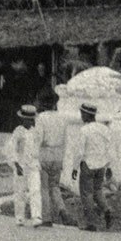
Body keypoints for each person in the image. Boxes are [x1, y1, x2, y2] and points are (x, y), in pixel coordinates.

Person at [73, 102, 113, 231]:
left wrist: (74, 168)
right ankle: (107, 210)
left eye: (82, 114)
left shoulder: (84, 130)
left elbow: (80, 151)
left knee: (87, 194)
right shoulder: (104, 129)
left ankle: (91, 223)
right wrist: (109, 166)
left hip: (88, 165)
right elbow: (109, 149)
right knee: (98, 191)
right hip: (101, 165)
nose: (81, 116)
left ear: (86, 115)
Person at [7, 105, 44, 227]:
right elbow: (12, 149)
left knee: (35, 190)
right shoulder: (18, 131)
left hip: (33, 164)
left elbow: (39, 148)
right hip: (21, 165)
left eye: (31, 119)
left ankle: (36, 216)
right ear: (22, 119)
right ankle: (19, 216)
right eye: (26, 119)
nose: (29, 121)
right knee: (20, 191)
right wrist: (16, 164)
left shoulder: (37, 132)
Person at [35, 94, 68, 227]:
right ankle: (63, 211)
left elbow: (39, 139)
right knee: (54, 186)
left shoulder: (41, 118)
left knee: (44, 187)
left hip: (45, 153)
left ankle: (47, 217)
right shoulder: (63, 118)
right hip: (58, 154)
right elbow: (66, 140)